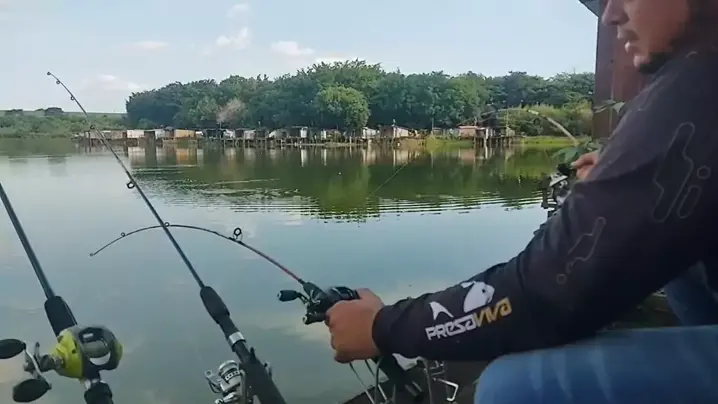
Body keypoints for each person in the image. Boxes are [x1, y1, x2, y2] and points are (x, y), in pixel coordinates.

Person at [325, 1, 718, 403]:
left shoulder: (700, 79)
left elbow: (545, 291)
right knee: (682, 256)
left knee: (515, 386)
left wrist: (382, 328)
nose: (610, 15)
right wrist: (625, 182)